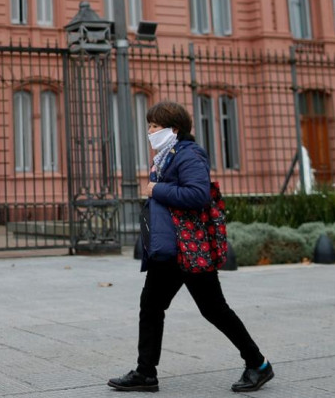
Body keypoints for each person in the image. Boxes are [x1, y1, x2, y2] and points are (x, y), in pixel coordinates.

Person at [108, 101, 274, 393]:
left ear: (174, 129)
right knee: (151, 305)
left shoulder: (189, 154)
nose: (149, 131)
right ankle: (146, 373)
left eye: (154, 126)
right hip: (172, 248)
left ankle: (258, 364)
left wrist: (157, 189)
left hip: (191, 248)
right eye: (148, 126)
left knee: (214, 309)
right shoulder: (167, 156)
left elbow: (198, 195)